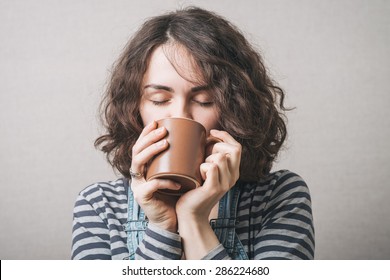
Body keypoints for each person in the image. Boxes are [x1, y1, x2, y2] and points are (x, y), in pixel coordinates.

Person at [71, 6, 314, 260]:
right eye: (159, 99)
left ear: (233, 106)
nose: (181, 116)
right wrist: (162, 226)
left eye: (205, 100)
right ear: (135, 109)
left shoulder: (279, 197)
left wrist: (194, 220)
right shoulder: (99, 206)